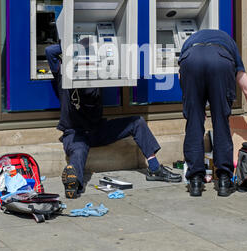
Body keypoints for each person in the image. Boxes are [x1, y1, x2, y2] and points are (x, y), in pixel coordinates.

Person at [46, 43, 182, 198]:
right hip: (76, 132)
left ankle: (154, 167)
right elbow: (50, 51)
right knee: (79, 150)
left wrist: (78, 45)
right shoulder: (79, 75)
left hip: (93, 130)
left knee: (136, 123)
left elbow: (51, 51)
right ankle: (73, 180)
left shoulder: (69, 74)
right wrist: (86, 45)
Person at [178, 29, 247, 198]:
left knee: (193, 123)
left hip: (190, 61)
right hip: (220, 63)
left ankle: (195, 182)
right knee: (221, 122)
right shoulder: (229, 45)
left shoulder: (190, 41)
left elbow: (181, 76)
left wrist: (197, 108)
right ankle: (223, 181)